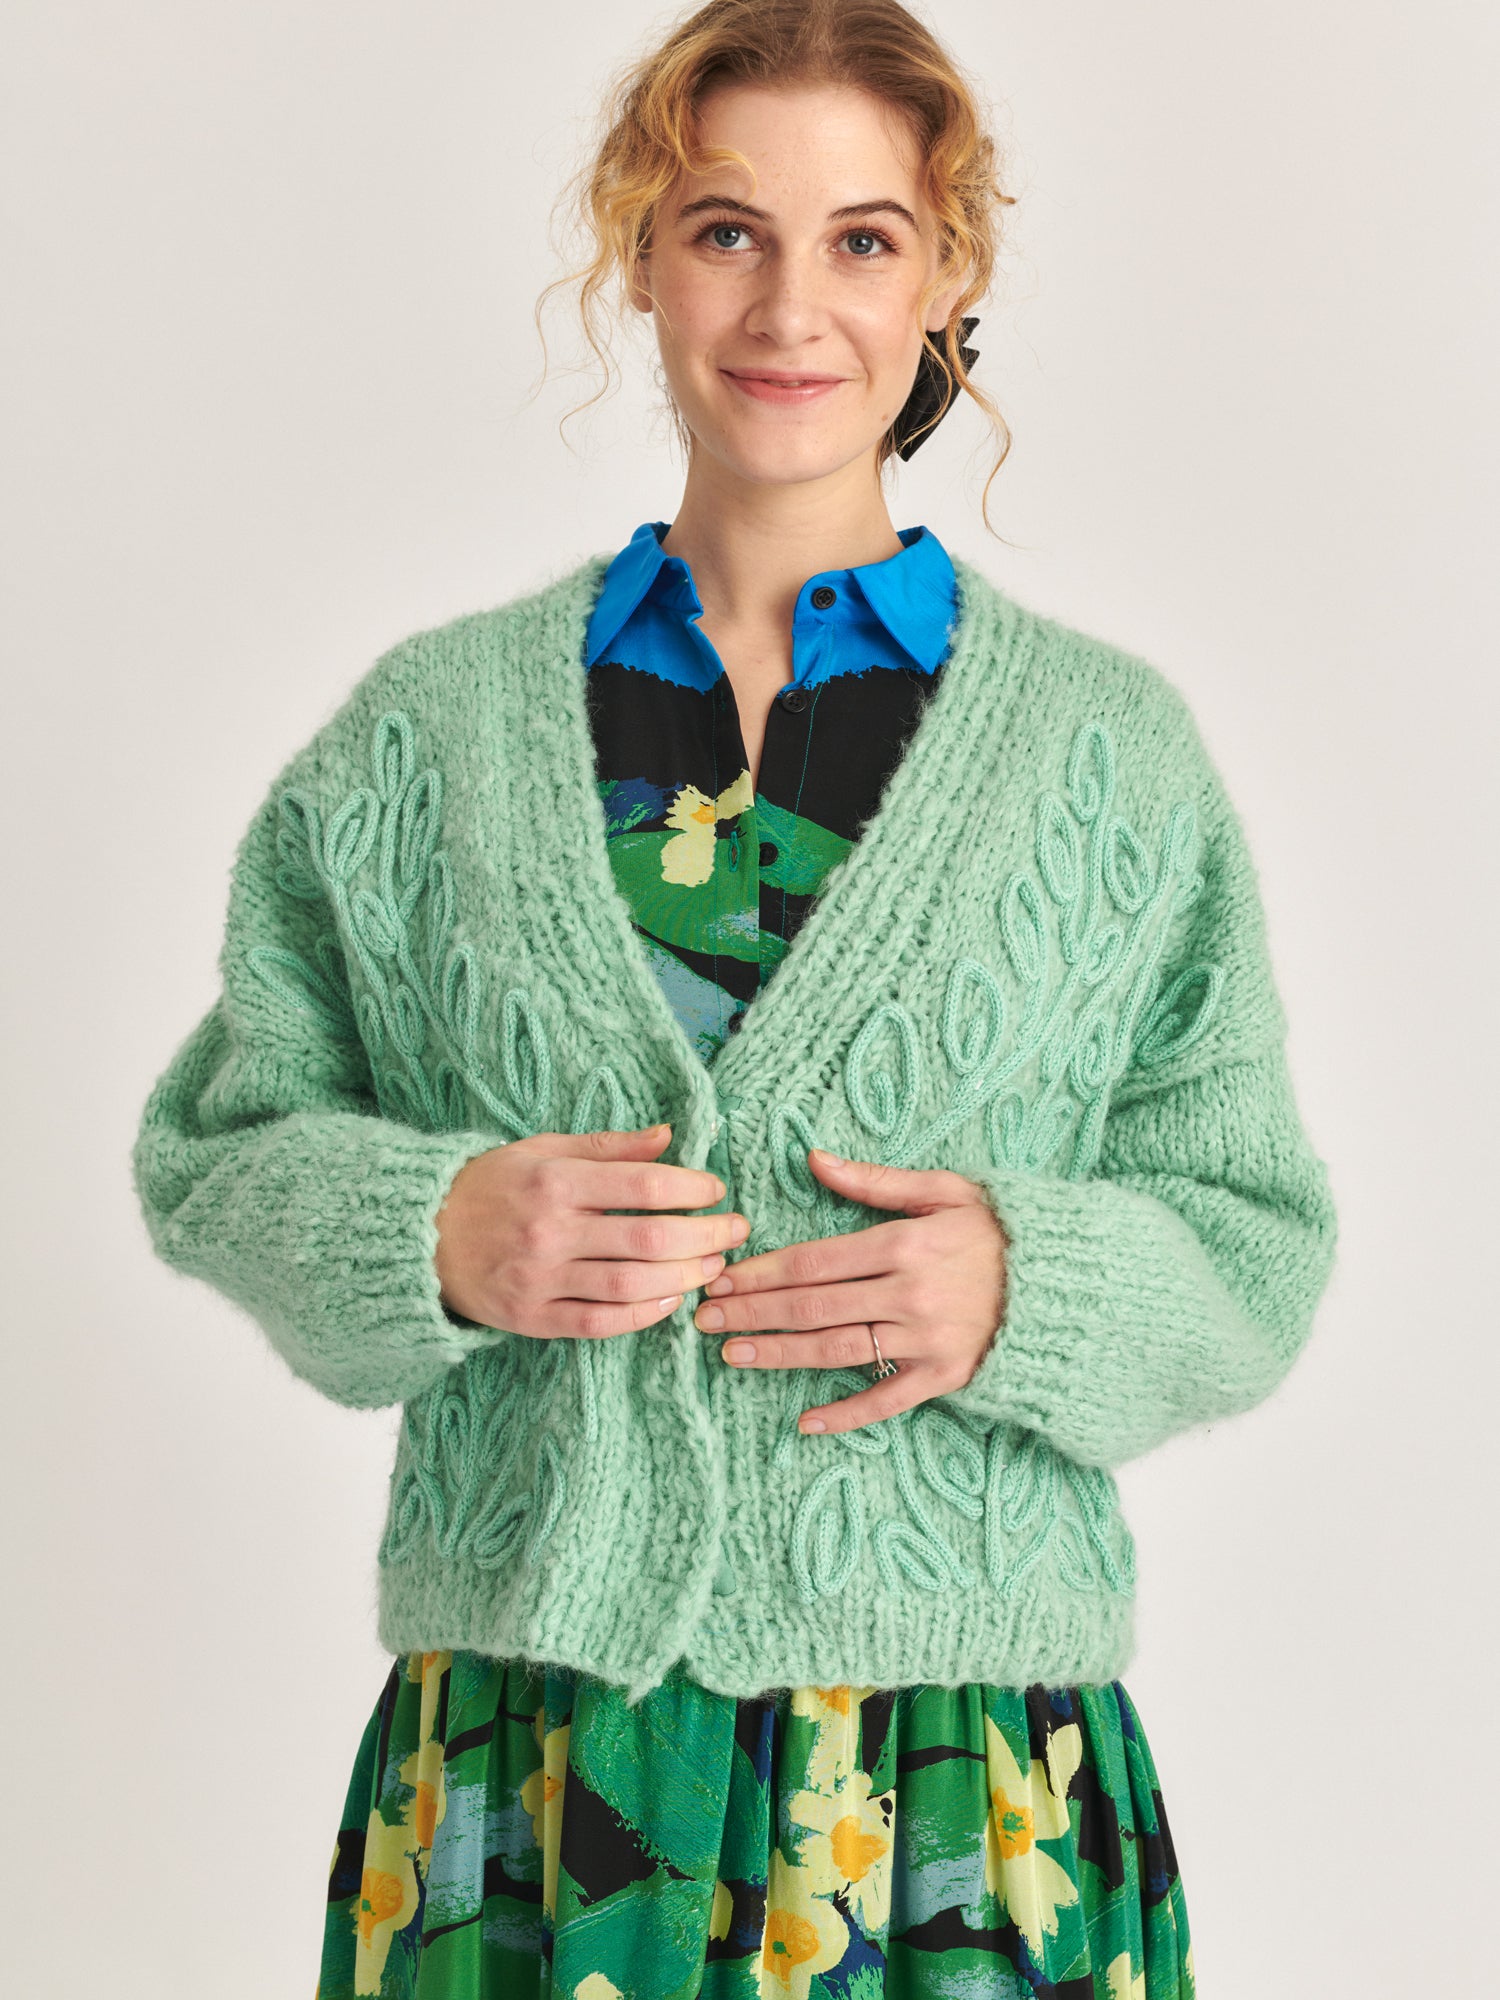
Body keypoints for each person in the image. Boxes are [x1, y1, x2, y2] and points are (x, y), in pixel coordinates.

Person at [131, 3, 1339, 1994]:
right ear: (641, 258)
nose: (791, 306)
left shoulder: (1109, 759)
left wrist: (1030, 1284)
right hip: (523, 1769)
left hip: (957, 1787)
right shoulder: (428, 734)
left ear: (948, 274)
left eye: (864, 238)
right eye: (724, 230)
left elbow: (1256, 1234)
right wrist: (427, 1229)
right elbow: (221, 1150)